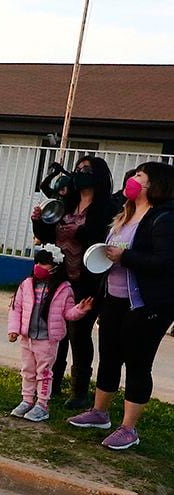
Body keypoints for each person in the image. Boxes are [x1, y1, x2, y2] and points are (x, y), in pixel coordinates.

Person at [68, 162, 174, 450]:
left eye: (139, 175)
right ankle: (99, 412)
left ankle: (129, 428)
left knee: (138, 364)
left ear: (154, 184)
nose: (132, 178)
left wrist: (123, 257)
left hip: (145, 305)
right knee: (110, 356)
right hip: (114, 299)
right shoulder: (125, 213)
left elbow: (165, 263)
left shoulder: (163, 219)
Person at [32, 156, 120, 408]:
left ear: (98, 176)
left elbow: (102, 240)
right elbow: (47, 236)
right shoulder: (65, 204)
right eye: (78, 169)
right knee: (55, 331)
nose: (80, 173)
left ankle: (79, 390)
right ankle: (52, 382)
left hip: (88, 281)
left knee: (79, 334)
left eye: (86, 170)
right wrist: (38, 219)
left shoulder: (107, 208)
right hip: (60, 278)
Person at [7, 245, 93, 423]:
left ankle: (42, 404)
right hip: (27, 338)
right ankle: (27, 399)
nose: (39, 266)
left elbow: (68, 313)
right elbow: (16, 309)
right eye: (37, 262)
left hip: (47, 340)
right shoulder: (26, 285)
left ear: (55, 266)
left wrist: (80, 310)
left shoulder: (64, 288)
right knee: (27, 370)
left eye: (44, 263)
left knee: (44, 372)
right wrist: (14, 330)